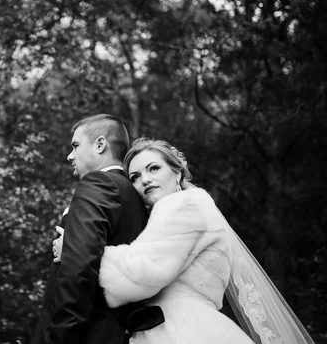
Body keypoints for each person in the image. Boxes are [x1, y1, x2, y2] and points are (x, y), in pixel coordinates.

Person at [88, 137, 313, 343]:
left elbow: (140, 275)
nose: (145, 180)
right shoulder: (197, 205)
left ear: (177, 173)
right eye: (134, 177)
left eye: (154, 168)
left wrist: (85, 250)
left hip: (178, 329)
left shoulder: (181, 205)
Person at [31, 115, 164, 344]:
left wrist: (60, 336)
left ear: (100, 144)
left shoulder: (99, 183)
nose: (69, 155)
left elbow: (79, 267)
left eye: (75, 145)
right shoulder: (135, 198)